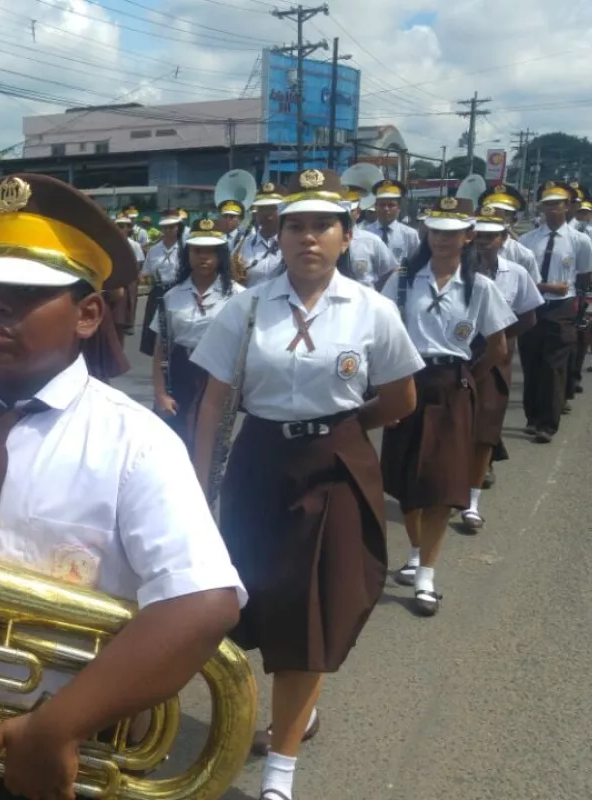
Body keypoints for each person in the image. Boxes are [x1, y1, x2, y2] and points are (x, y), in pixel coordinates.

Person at [0, 173, 244, 800]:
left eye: (26, 293)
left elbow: (203, 602)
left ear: (88, 314)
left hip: (78, 741)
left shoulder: (136, 442)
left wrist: (56, 727)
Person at [191, 169, 422, 800]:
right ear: (281, 234)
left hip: (337, 467)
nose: (308, 237)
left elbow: (400, 397)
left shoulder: (373, 310)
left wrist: (344, 429)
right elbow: (213, 405)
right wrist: (195, 490)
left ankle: (280, 769)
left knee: (314, 608)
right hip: (260, 461)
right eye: (295, 225)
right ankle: (289, 709)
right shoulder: (246, 306)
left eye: (323, 225)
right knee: (248, 602)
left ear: (347, 237)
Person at [381, 195, 515, 617]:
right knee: (406, 486)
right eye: (436, 230)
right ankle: (417, 551)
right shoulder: (401, 279)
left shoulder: (480, 286)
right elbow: (381, 337)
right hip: (407, 384)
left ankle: (426, 576)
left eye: (452, 231)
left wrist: (468, 379)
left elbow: (498, 346)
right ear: (427, 233)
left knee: (440, 486)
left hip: (451, 387)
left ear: (468, 236)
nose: (443, 238)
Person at [460, 208, 541, 528]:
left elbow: (529, 316)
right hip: (460, 355)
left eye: (490, 236)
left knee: (485, 428)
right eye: (478, 235)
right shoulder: (457, 272)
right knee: (456, 426)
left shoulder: (516, 273)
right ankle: (452, 487)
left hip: (495, 357)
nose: (483, 242)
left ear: (503, 239)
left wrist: (500, 338)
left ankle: (472, 500)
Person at [149, 218, 242, 449]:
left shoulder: (239, 296)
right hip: (180, 373)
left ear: (221, 255)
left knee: (211, 443)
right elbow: (161, 349)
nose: (203, 257)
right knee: (174, 442)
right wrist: (160, 393)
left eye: (211, 251)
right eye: (197, 250)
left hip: (218, 374)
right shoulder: (172, 296)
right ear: (187, 254)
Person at [517, 181, 592, 442]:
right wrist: (546, 286)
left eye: (557, 204)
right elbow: (522, 277)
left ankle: (547, 423)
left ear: (568, 206)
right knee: (532, 363)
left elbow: (583, 275)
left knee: (554, 365)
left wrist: (576, 303)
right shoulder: (528, 240)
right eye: (547, 205)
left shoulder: (580, 241)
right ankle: (532, 416)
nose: (552, 210)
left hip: (561, 308)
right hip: (533, 304)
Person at [138, 209, 186, 357]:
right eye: (165, 227)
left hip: (178, 290)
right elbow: (145, 272)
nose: (168, 230)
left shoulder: (185, 248)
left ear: (178, 227)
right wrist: (145, 279)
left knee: (177, 330)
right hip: (158, 291)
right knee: (156, 332)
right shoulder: (154, 250)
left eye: (172, 227)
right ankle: (159, 361)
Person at [360, 179, 421, 265]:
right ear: (375, 206)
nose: (386, 209)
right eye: (382, 205)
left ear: (399, 207)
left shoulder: (410, 234)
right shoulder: (365, 233)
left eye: (391, 205)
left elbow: (416, 262)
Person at [237, 182, 285, 286]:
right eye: (262, 208)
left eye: (272, 208)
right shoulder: (243, 245)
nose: (267, 214)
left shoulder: (292, 244)